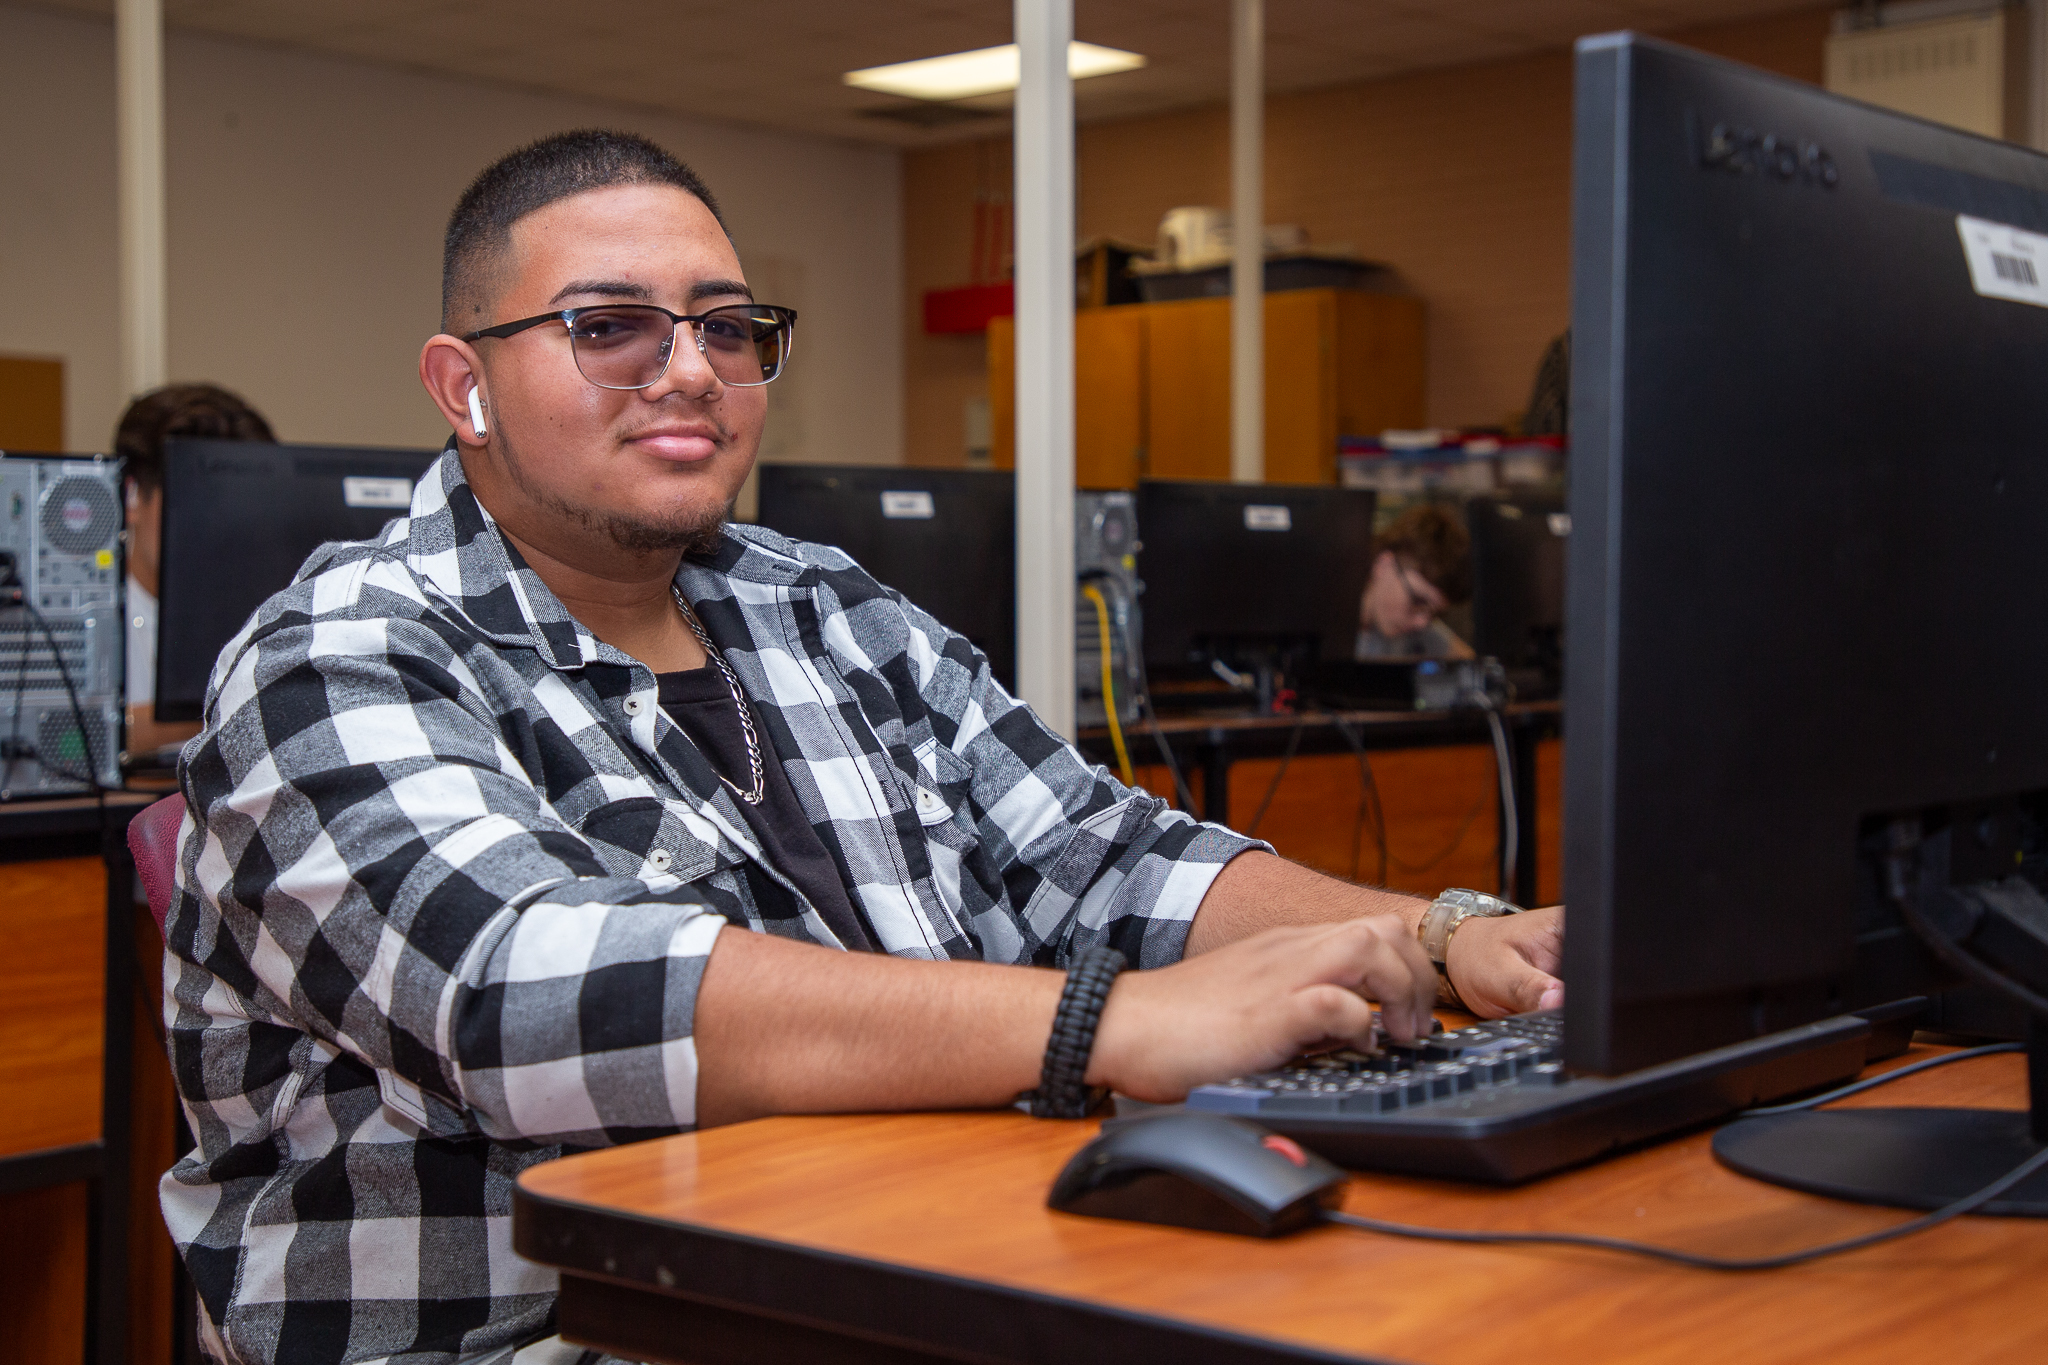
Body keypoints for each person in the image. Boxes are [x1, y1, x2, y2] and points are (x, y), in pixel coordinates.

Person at [159, 130, 1563, 1365]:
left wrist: (1446, 936)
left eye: (727, 326)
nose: (689, 370)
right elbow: (533, 994)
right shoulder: (330, 659)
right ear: (461, 385)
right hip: (553, 1335)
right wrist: (1111, 1025)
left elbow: (1103, 851)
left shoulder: (820, 605)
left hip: (914, 1261)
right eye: (610, 327)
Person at [112, 383, 275, 757]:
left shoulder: (264, 607)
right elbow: (66, 740)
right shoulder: (82, 611)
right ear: (131, 496)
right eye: (201, 501)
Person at [1356, 503, 1475, 659]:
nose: (1421, 624)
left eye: (1434, 615)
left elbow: (1470, 663)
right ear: (1383, 564)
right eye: (1417, 602)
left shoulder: (1416, 628)